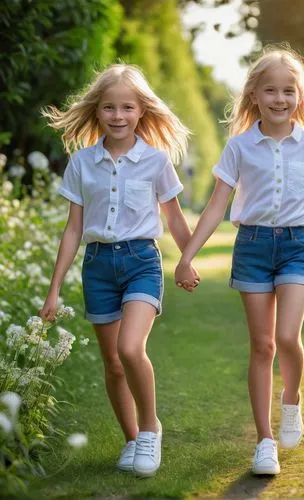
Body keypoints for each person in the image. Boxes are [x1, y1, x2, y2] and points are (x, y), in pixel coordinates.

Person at [175, 45, 304, 476]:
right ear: (254, 96)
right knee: (261, 346)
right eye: (271, 91)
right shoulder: (240, 148)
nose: (280, 99)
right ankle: (264, 442)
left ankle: (292, 399)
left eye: (289, 91)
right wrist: (188, 257)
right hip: (253, 249)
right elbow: (214, 207)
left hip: (299, 245)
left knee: (286, 338)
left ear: (300, 97)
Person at [39, 64, 200, 477]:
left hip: (142, 262)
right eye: (109, 107)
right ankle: (131, 440)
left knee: (131, 349)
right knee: (112, 362)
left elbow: (176, 219)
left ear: (141, 111)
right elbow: (74, 228)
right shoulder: (81, 164)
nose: (117, 115)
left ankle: (150, 430)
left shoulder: (156, 161)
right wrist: (54, 289)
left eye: (127, 107)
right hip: (98, 266)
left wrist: (186, 259)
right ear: (96, 111)